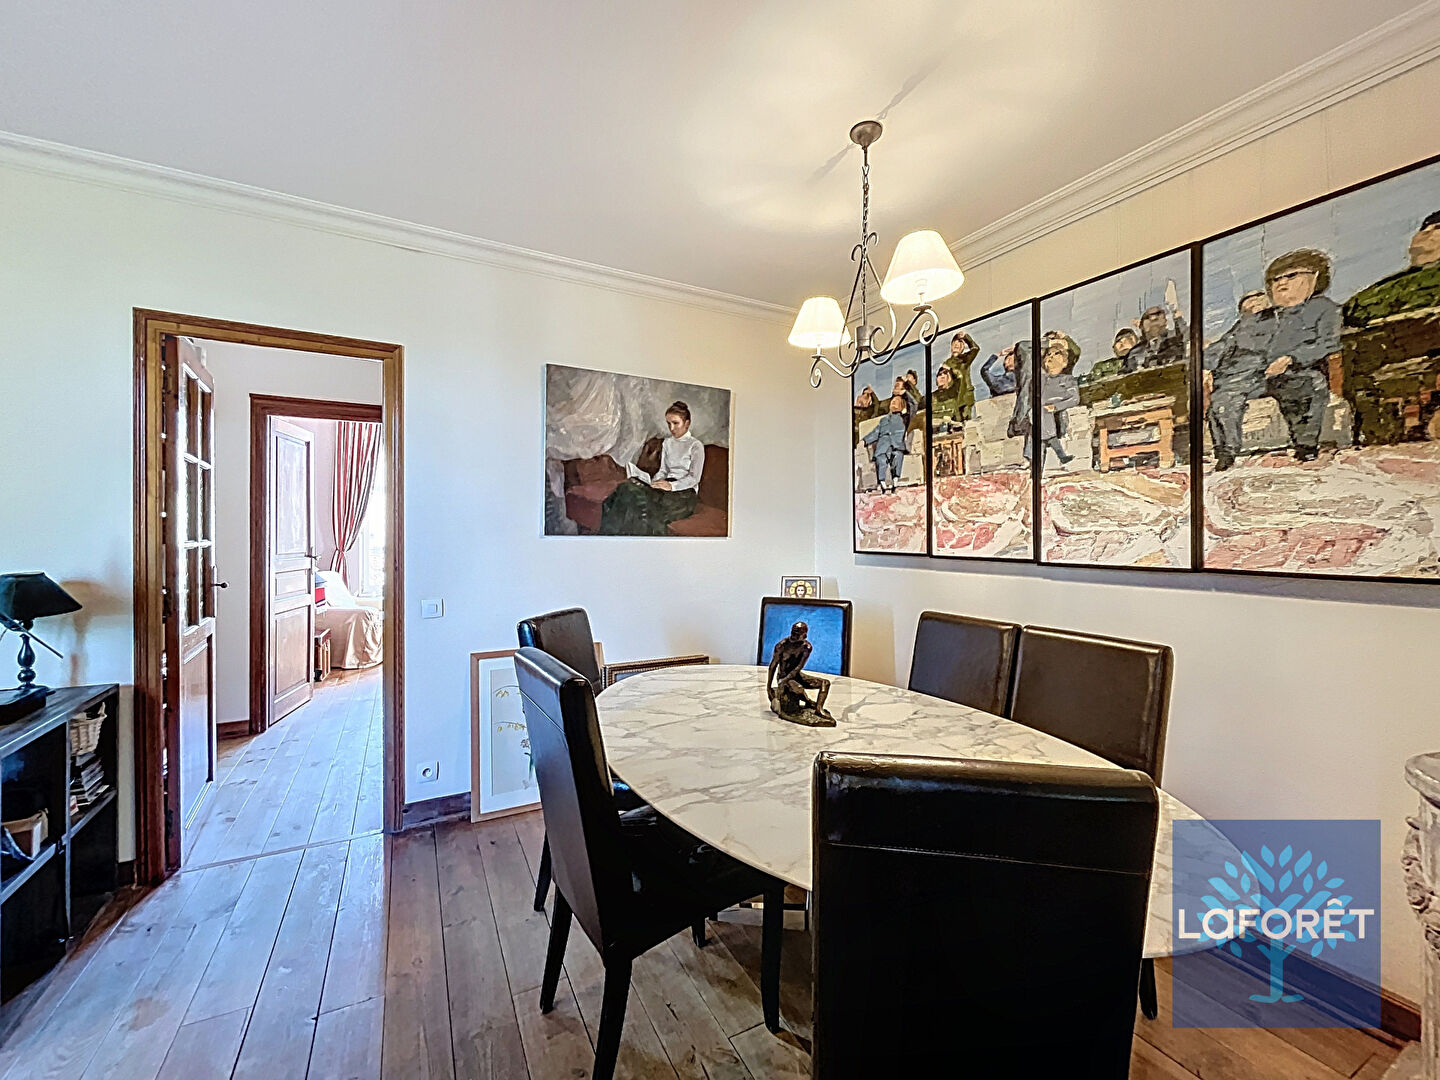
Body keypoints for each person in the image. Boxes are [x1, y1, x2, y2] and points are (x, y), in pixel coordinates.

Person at [1342, 210, 1440, 444]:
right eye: (1424, 229)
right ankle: (1378, 434)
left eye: (1436, 229)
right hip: (1381, 353)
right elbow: (1351, 313)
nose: (1426, 234)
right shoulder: (1380, 290)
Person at [1263, 249, 1341, 461]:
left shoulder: (1325, 308)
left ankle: (1305, 447)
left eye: (1291, 275)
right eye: (1275, 279)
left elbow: (1328, 342)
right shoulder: (1266, 318)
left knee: (1312, 385)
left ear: (1315, 277)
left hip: (1301, 371)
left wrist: (1291, 359)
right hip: (1261, 374)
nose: (1281, 283)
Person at [599, 401, 706, 535]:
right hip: (665, 488)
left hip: (684, 494)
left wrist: (671, 486)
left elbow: (694, 478)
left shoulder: (696, 445)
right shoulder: (667, 443)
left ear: (687, 423)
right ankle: (610, 537)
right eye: (668, 423)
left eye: (675, 423)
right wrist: (654, 482)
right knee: (624, 489)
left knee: (637, 498)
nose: (671, 428)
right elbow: (663, 470)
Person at [1203, 291, 1275, 470]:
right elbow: (1221, 346)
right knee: (1214, 409)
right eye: (1247, 302)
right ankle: (1220, 449)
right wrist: (1204, 364)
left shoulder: (1275, 320)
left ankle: (1229, 450)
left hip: (1255, 372)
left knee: (1226, 401)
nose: (1252, 303)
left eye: (1257, 299)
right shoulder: (1240, 326)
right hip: (1230, 375)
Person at [1016, 332, 1081, 467]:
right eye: (1049, 354)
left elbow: (1075, 352)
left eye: (1056, 353)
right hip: (1037, 419)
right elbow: (1022, 346)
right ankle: (1035, 466)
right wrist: (1048, 342)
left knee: (1048, 437)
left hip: (1054, 418)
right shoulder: (1037, 373)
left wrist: (1065, 338)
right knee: (1038, 440)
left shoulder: (1066, 377)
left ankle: (1053, 459)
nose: (1051, 356)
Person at [767, 621, 834, 725]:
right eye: (793, 633)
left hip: (796, 675)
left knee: (825, 683)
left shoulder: (806, 647)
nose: (794, 636)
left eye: (797, 634)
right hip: (784, 676)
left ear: (804, 635)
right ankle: (808, 702)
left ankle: (818, 708)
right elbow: (773, 666)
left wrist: (787, 679)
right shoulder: (782, 646)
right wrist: (769, 686)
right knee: (798, 688)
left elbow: (798, 668)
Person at [1125, 281, 1189, 371]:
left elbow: (1189, 337)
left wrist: (1177, 316)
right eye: (1148, 317)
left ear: (1165, 319)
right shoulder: (1135, 354)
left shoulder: (1178, 337)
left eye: (1158, 314)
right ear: (1139, 324)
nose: (1154, 318)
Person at [862, 394, 909, 492]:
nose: (893, 403)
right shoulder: (884, 420)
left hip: (897, 446)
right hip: (883, 446)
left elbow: (914, 405)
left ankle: (895, 482)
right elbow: (876, 432)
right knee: (881, 460)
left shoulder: (905, 418)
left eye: (896, 402)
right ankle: (883, 483)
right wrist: (864, 441)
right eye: (892, 402)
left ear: (902, 406)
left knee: (897, 457)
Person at [929, 364, 968, 431]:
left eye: (945, 374)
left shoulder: (953, 392)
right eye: (939, 375)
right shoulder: (932, 396)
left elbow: (960, 377)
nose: (942, 376)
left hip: (955, 428)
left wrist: (950, 369)